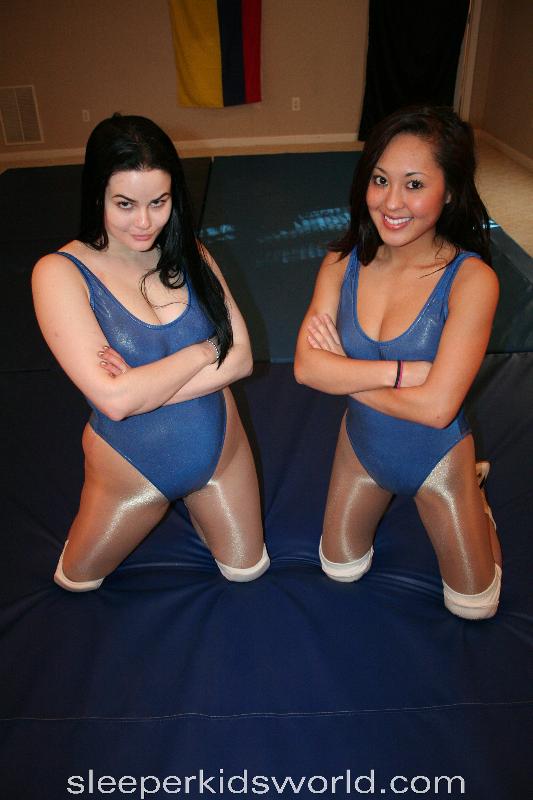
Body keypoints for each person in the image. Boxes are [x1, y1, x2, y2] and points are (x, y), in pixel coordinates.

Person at [32, 114, 269, 591]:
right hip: (131, 469)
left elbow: (242, 358)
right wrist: (205, 350)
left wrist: (142, 385)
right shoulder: (58, 273)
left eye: (158, 202)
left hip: (221, 452)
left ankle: (203, 508)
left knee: (248, 571)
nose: (144, 222)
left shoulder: (192, 253)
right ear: (97, 194)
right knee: (77, 582)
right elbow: (116, 402)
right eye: (125, 204)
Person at [294, 106, 502, 619]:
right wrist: (404, 373)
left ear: (449, 191)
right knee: (339, 568)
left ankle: (475, 498)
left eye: (414, 185)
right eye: (380, 179)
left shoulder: (472, 281)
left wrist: (342, 373)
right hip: (361, 449)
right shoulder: (341, 262)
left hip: (437, 460)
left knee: (475, 607)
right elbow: (306, 368)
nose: (391, 202)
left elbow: (436, 409)